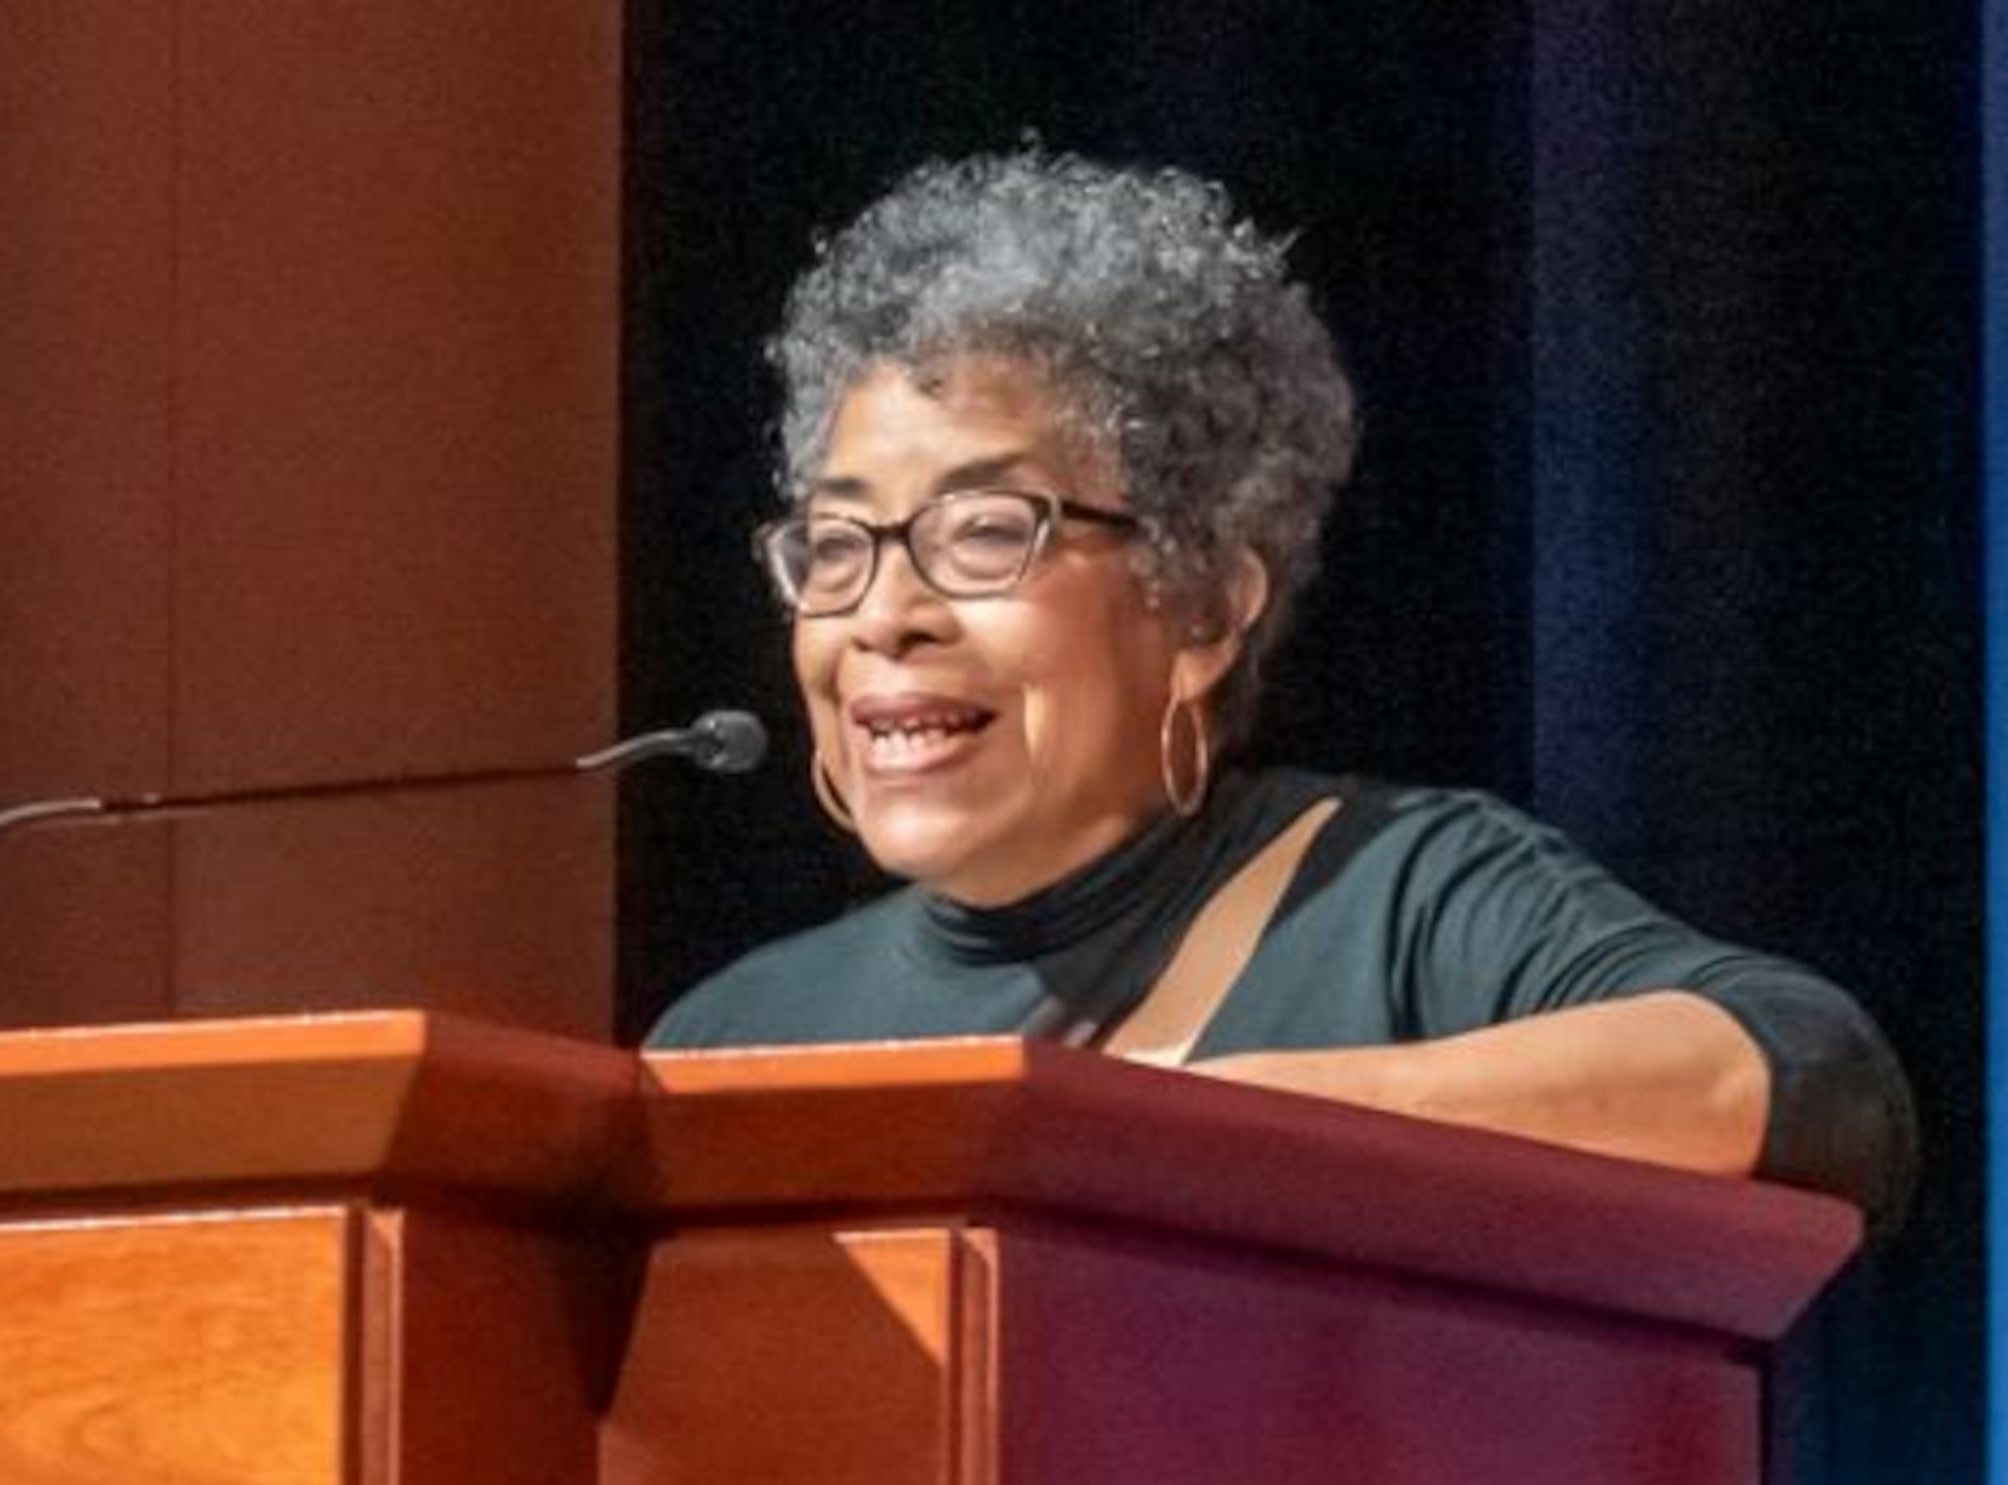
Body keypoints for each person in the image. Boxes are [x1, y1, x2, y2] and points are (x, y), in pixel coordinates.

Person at [650, 153, 1917, 1233]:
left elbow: (1823, 1083)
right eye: (834, 543)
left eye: (984, 533)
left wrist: (1202, 1130)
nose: (883, 614)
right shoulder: (729, 1038)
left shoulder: (1398, 901)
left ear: (1202, 605)